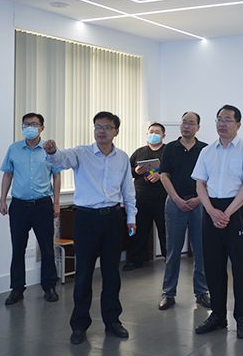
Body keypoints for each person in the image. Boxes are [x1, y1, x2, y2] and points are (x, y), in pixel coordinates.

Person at [43, 111, 137, 345]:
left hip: (113, 217)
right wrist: (52, 151)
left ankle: (112, 321)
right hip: (86, 219)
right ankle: (79, 325)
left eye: (106, 127)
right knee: (83, 274)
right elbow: (59, 160)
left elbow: (128, 190)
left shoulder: (122, 157)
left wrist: (131, 217)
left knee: (111, 273)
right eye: (97, 127)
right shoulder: (81, 153)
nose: (101, 131)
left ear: (116, 131)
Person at [192, 105, 243, 339]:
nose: (222, 124)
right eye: (219, 119)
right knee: (213, 267)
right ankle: (218, 316)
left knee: (240, 268)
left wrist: (227, 213)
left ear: (238, 125)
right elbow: (200, 184)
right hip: (211, 211)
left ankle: (241, 317)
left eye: (227, 120)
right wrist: (212, 211)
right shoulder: (207, 151)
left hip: (236, 211)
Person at [0, 112, 62, 305]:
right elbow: (7, 175)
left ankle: (49, 287)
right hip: (19, 206)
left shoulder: (49, 150)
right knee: (18, 248)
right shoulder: (14, 149)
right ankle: (17, 289)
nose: (29, 127)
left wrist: (56, 203)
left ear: (42, 128)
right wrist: (2, 200)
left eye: (34, 124)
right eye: (26, 124)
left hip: (42, 205)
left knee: (47, 248)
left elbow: (57, 176)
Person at [158, 112, 210, 310]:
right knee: (173, 251)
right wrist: (177, 199)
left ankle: (202, 292)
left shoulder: (205, 149)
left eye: (191, 123)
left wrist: (198, 199)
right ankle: (168, 293)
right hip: (175, 204)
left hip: (199, 203)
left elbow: (210, 178)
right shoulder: (170, 148)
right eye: (184, 122)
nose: (186, 126)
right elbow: (164, 175)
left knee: (201, 250)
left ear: (198, 127)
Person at [123, 123, 167, 271]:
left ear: (163, 135)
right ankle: (136, 260)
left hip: (162, 198)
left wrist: (160, 175)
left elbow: (176, 170)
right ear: (147, 135)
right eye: (151, 132)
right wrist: (136, 171)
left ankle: (169, 259)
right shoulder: (139, 152)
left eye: (157, 132)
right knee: (140, 231)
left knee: (164, 230)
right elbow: (127, 171)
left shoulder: (168, 151)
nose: (153, 134)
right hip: (141, 198)